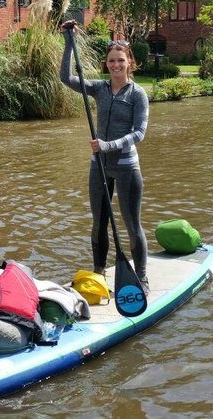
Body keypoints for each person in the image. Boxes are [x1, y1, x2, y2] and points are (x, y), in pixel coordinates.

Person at [59, 20, 150, 293]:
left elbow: (139, 133)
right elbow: (66, 78)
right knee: (99, 222)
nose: (115, 65)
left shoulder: (138, 94)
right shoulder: (99, 88)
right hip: (98, 167)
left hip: (125, 167)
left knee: (132, 225)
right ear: (106, 63)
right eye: (111, 61)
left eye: (120, 60)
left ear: (129, 62)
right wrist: (68, 43)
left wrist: (108, 145)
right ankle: (99, 273)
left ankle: (142, 277)